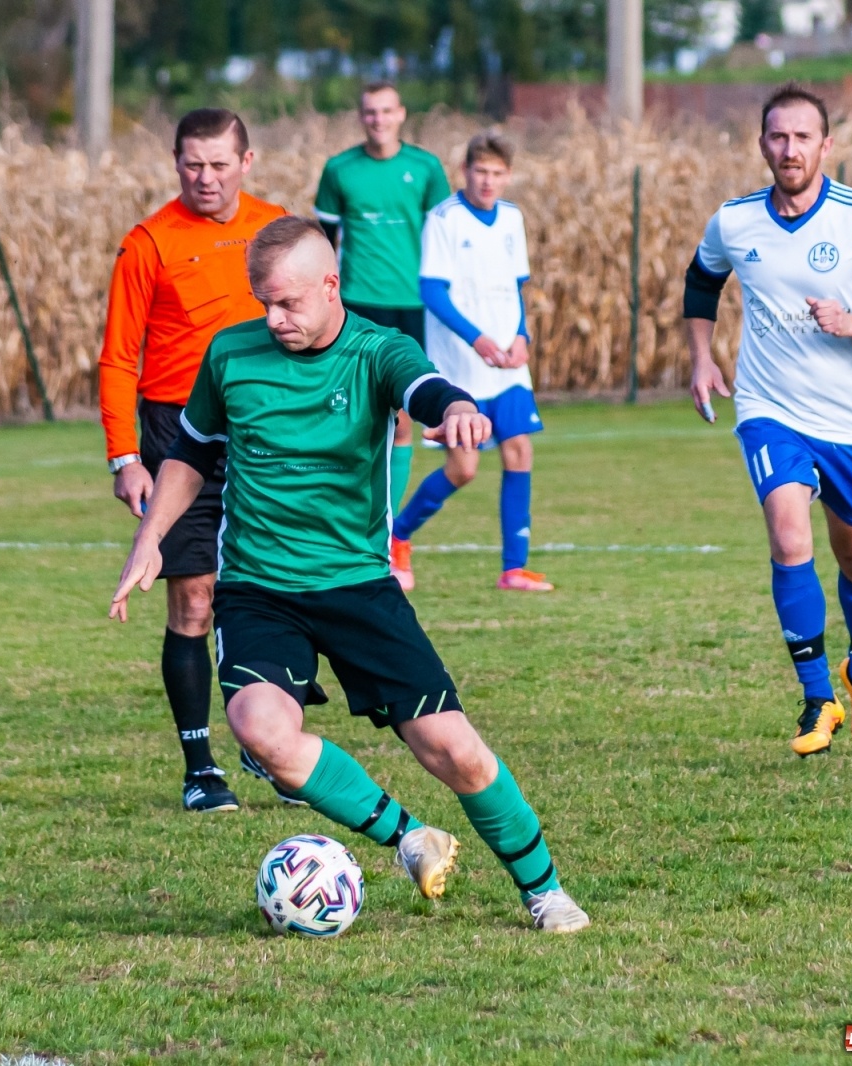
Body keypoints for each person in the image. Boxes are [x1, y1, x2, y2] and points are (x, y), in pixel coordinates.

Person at [109, 217, 590, 932]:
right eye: (263, 303)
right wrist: (152, 539)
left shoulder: (375, 350)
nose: (273, 319)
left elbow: (424, 386)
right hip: (259, 589)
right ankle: (408, 839)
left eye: (288, 303)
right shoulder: (230, 355)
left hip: (357, 585)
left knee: (454, 753)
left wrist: (457, 407)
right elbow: (192, 452)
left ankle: (543, 888)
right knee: (260, 730)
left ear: (331, 286)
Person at [684, 84, 852, 759]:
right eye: (777, 137)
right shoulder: (734, 222)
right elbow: (700, 282)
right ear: (762, 143)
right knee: (790, 539)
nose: (789, 149)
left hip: (851, 419)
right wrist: (701, 358)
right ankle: (818, 698)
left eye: (802, 137)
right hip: (769, 410)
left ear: (826, 145)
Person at [97, 108, 287, 814]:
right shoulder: (148, 242)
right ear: (175, 163)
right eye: (191, 165)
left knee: (274, 590)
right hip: (176, 429)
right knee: (194, 597)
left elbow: (320, 321)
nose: (204, 178)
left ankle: (267, 743)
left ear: (247, 160)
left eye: (218, 164)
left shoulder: (278, 229)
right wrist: (125, 456)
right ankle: (200, 767)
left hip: (264, 424)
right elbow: (119, 355)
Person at [390, 133, 550, 592]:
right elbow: (431, 292)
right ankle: (398, 536)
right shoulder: (444, 220)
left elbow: (516, 287)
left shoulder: (512, 219)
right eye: (481, 171)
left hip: (508, 364)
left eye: (498, 173)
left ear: (508, 176)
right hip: (460, 366)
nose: (488, 181)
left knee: (519, 451)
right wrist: (477, 340)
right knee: (464, 469)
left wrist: (522, 335)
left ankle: (513, 568)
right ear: (466, 171)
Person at [313, 82, 451, 535]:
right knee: (349, 414)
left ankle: (384, 531)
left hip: (411, 306)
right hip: (356, 304)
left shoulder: (426, 168)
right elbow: (324, 245)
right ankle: (336, 517)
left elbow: (445, 241)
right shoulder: (339, 170)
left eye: (387, 111)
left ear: (401, 114)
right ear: (361, 116)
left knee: (403, 421)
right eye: (371, 112)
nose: (379, 119)